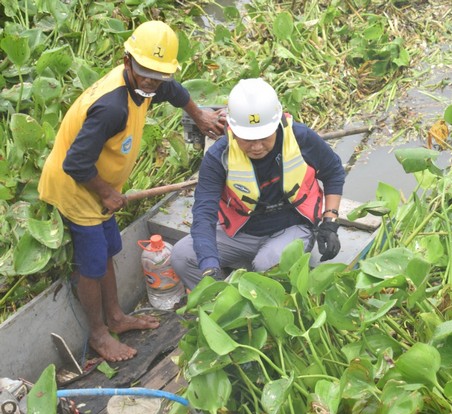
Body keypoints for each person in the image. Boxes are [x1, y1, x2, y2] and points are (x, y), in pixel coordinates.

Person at [37, 20, 226, 362]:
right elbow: (76, 163)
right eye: (144, 71)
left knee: (110, 247)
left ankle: (117, 317)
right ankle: (98, 334)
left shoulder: (150, 84)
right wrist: (106, 192)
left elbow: (175, 92)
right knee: (92, 265)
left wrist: (199, 116)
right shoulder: (112, 106)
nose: (151, 80)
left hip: (98, 185)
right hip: (78, 189)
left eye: (159, 74)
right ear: (128, 62)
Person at [171, 78, 345, 289]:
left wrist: (330, 222)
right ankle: (225, 302)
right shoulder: (219, 156)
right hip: (240, 232)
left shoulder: (301, 138)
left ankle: (259, 283)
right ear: (232, 130)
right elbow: (203, 213)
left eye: (263, 136)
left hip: (291, 227)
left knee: (267, 265)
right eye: (247, 138)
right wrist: (209, 264)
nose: (256, 146)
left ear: (277, 123)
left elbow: (333, 171)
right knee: (182, 256)